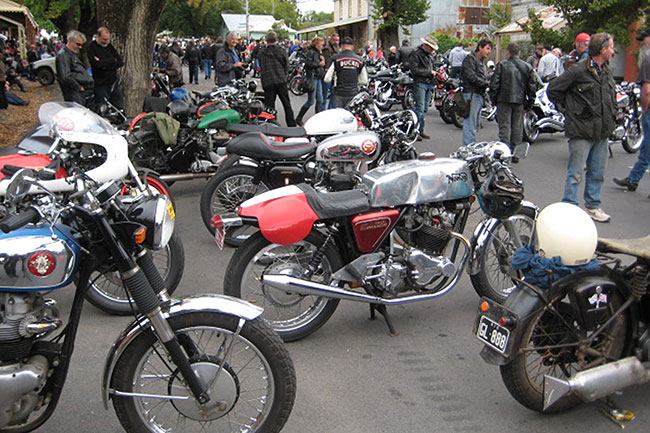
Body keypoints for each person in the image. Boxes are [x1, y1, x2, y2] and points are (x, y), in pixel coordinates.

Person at [547, 33, 617, 223]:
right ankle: (570, 208)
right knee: (575, 173)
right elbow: (553, 90)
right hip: (581, 130)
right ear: (603, 50)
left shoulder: (607, 71)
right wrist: (569, 109)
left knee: (598, 172)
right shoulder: (578, 70)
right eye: (611, 47)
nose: (613, 51)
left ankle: (593, 206)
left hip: (602, 130)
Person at [612, 29, 650, 196]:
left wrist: (645, 109)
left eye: (644, 41)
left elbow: (647, 91)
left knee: (647, 147)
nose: (642, 45)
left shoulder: (648, 61)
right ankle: (633, 179)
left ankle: (633, 179)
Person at [490, 43, 537, 163]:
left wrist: (494, 99)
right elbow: (532, 87)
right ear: (519, 53)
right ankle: (516, 153)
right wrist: (529, 103)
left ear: (508, 53)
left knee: (504, 126)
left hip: (503, 99)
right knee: (517, 126)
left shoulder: (502, 65)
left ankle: (504, 152)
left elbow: (495, 84)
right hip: (519, 100)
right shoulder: (526, 66)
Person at [258, 31, 296, 127]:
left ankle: (272, 125)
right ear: (276, 40)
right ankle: (291, 125)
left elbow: (261, 64)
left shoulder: (262, 52)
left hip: (268, 81)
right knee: (286, 104)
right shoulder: (281, 50)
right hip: (280, 80)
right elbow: (287, 65)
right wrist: (284, 75)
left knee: (270, 106)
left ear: (266, 40)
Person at [461, 39, 493, 146]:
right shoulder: (470, 59)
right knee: (470, 124)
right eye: (487, 48)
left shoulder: (481, 62)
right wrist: (485, 83)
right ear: (480, 47)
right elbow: (471, 77)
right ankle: (468, 149)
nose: (489, 52)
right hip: (471, 94)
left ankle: (472, 147)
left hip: (479, 94)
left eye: (490, 49)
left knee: (475, 124)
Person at [408, 35, 439, 140]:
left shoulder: (428, 55)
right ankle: (415, 131)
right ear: (426, 45)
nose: (432, 50)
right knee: (420, 109)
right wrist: (429, 73)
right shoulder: (416, 54)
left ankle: (420, 130)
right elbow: (414, 70)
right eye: (431, 47)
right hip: (421, 82)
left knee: (424, 109)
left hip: (427, 83)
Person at [324, 36, 367, 109]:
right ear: (353, 46)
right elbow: (364, 81)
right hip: (353, 92)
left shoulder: (335, 59)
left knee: (338, 115)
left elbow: (327, 79)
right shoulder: (360, 60)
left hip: (339, 92)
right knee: (349, 116)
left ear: (341, 46)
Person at [87, 27, 124, 110]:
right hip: (101, 84)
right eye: (104, 39)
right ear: (98, 37)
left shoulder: (110, 47)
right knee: (102, 108)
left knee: (119, 106)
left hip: (113, 82)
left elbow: (120, 62)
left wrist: (103, 62)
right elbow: (96, 64)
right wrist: (111, 61)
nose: (106, 42)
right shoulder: (91, 47)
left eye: (108, 39)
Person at [55, 30, 94, 106]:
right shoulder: (63, 55)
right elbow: (65, 76)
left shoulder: (71, 54)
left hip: (81, 93)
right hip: (75, 94)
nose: (80, 47)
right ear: (70, 41)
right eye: (78, 44)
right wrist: (78, 87)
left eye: (81, 45)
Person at [295, 37, 325, 125]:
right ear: (317, 45)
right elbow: (308, 64)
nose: (322, 47)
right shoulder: (312, 52)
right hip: (312, 78)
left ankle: (318, 119)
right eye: (321, 45)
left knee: (320, 99)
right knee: (311, 101)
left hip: (317, 77)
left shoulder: (317, 53)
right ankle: (299, 118)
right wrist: (319, 64)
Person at [321, 34, 339, 110]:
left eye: (337, 40)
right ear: (331, 40)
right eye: (334, 40)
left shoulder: (338, 49)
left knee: (334, 95)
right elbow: (326, 63)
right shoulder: (327, 49)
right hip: (327, 74)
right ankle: (322, 112)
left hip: (335, 75)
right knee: (324, 96)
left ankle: (329, 111)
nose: (336, 42)